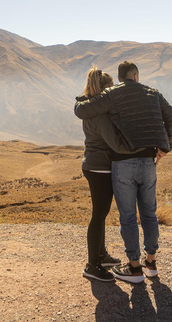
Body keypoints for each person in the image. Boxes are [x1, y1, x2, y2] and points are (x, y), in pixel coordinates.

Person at [74, 61, 172, 284]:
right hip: (125, 164)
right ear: (136, 76)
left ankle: (123, 264)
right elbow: (171, 117)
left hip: (112, 164)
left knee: (120, 216)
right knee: (141, 214)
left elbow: (83, 110)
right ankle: (142, 263)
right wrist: (156, 147)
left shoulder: (103, 101)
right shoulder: (149, 94)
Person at [76, 67, 127, 282]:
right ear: (105, 89)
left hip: (94, 165)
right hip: (100, 167)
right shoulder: (99, 114)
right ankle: (92, 265)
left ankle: (101, 256)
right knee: (98, 214)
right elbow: (113, 142)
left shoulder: (90, 108)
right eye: (111, 89)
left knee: (101, 213)